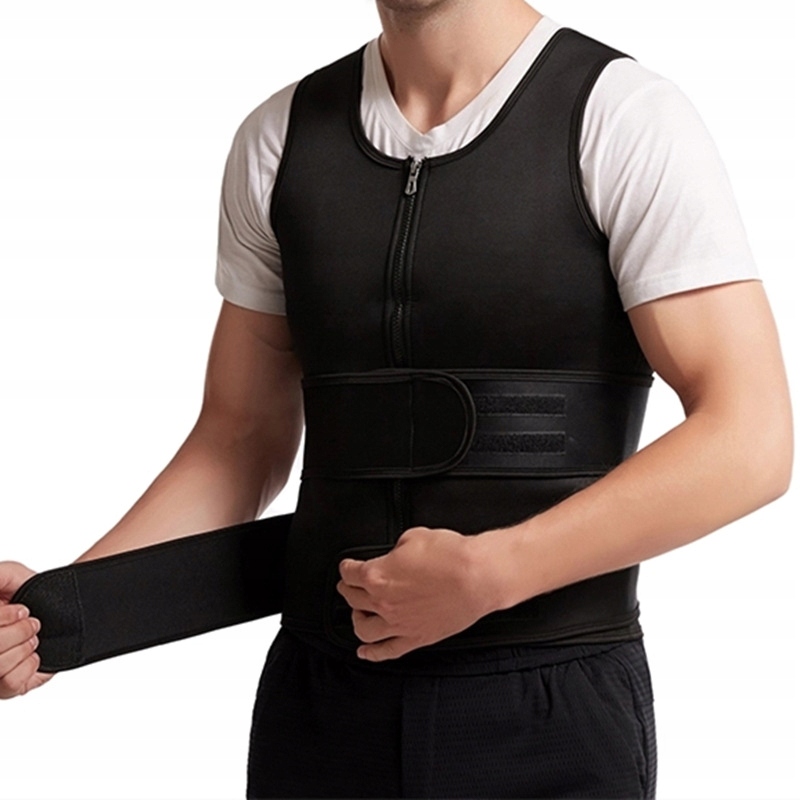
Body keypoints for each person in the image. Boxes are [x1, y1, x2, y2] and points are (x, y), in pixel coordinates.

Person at [0, 1, 793, 798]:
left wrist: (492, 572)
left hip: (549, 713)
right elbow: (238, 440)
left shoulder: (624, 118)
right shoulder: (279, 140)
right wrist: (57, 615)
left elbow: (752, 438)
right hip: (319, 714)